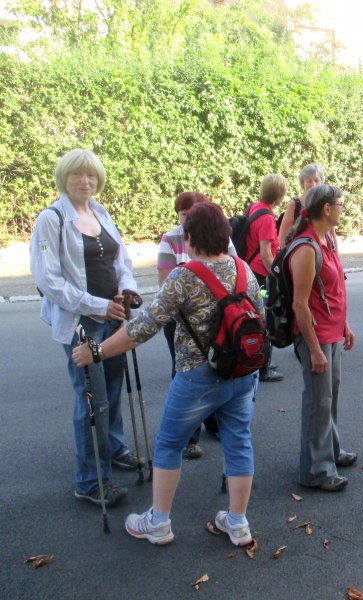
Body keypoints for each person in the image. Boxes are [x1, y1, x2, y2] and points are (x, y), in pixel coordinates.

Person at [73, 202, 262, 546]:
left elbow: (143, 327)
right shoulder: (244, 269)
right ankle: (238, 523)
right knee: (238, 442)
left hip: (197, 377)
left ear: (189, 238)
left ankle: (158, 523)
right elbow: (258, 317)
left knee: (169, 444)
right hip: (241, 373)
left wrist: (96, 351)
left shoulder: (184, 276)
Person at [30, 148, 138, 508]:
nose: (85, 181)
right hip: (82, 324)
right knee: (94, 400)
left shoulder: (100, 212)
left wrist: (127, 289)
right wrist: (98, 305)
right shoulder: (51, 219)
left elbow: (122, 260)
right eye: (77, 174)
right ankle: (90, 480)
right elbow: (48, 281)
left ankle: (113, 447)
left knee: (114, 388)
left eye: (91, 175)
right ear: (64, 178)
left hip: (114, 316)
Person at [287, 185, 356, 492]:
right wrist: (314, 350)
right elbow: (299, 305)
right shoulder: (306, 248)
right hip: (316, 336)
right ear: (326, 209)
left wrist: (345, 325)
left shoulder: (327, 239)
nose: (343, 209)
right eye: (340, 204)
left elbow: (333, 288)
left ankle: (331, 451)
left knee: (329, 397)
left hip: (332, 331)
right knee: (318, 402)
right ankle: (316, 471)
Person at [157, 191, 236, 457]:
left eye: (191, 215)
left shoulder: (221, 238)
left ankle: (214, 424)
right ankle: (190, 436)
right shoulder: (171, 239)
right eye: (183, 215)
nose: (186, 220)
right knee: (184, 370)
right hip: (181, 320)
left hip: (219, 316)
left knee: (219, 367)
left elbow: (234, 269)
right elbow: (165, 286)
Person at [244, 173, 289, 383]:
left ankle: (260, 363)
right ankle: (263, 367)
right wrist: (277, 276)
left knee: (257, 319)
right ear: (278, 195)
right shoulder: (267, 218)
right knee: (265, 320)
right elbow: (266, 254)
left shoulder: (255, 207)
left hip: (251, 271)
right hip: (261, 274)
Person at [277, 164, 325, 249]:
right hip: (298, 253)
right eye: (309, 181)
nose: (313, 184)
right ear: (303, 184)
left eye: (316, 180)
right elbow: (282, 239)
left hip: (322, 253)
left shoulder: (326, 203)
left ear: (322, 182)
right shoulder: (294, 204)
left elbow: (332, 237)